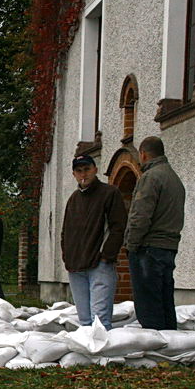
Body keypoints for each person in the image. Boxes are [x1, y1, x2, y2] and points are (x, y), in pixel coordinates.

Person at [124, 136, 185, 330]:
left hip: (149, 248)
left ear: (143, 154)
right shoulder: (174, 178)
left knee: (148, 303)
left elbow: (140, 216)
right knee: (165, 299)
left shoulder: (150, 178)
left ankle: (156, 347)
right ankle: (171, 344)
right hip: (169, 246)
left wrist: (131, 245)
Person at [61, 154, 127, 330]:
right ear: (74, 174)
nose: (84, 174)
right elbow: (65, 231)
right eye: (79, 171)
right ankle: (88, 356)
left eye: (87, 169)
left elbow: (118, 227)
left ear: (95, 169)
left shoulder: (109, 193)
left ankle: (102, 357)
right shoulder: (73, 199)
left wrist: (106, 256)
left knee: (100, 321)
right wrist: (67, 257)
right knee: (84, 321)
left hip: (100, 265)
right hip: (76, 267)